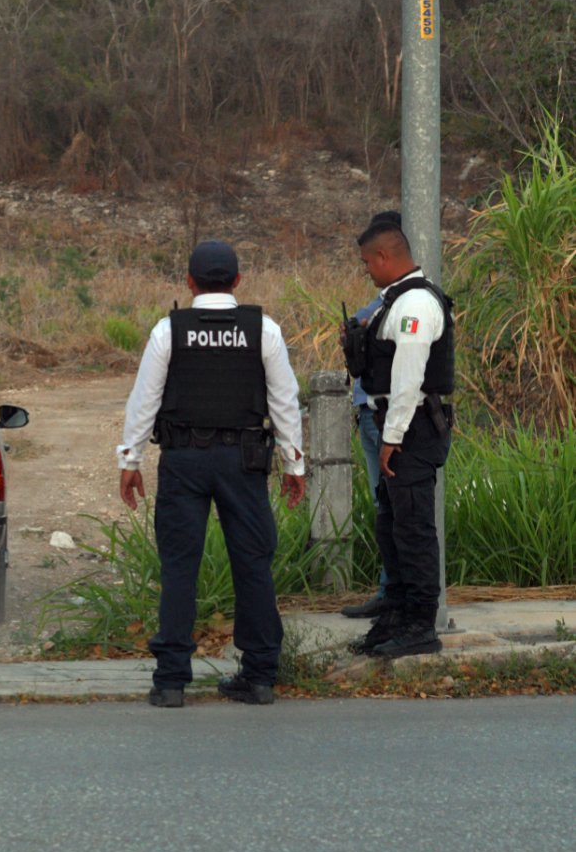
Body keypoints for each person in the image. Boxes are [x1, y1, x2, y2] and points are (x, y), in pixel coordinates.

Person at [118, 241, 306, 708]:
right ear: (238, 282)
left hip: (183, 460)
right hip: (244, 461)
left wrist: (130, 461)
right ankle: (260, 676)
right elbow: (284, 401)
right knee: (253, 563)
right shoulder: (264, 330)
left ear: (189, 281)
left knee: (180, 566)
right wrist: (294, 464)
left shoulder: (169, 331)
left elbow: (145, 401)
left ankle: (171, 682)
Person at [342, 220, 455, 659]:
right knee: (392, 526)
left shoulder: (414, 305)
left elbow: (408, 379)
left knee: (413, 529)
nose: (367, 270)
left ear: (385, 258)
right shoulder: (398, 300)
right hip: (398, 425)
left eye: (368, 262)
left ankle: (421, 625)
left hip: (409, 430)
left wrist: (392, 436)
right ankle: (397, 616)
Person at [340, 210, 403, 620]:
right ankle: (392, 593)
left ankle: (396, 597)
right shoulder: (378, 305)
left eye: (367, 261)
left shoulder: (396, 303)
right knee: (389, 508)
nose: (365, 269)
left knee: (395, 508)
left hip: (385, 418)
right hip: (371, 412)